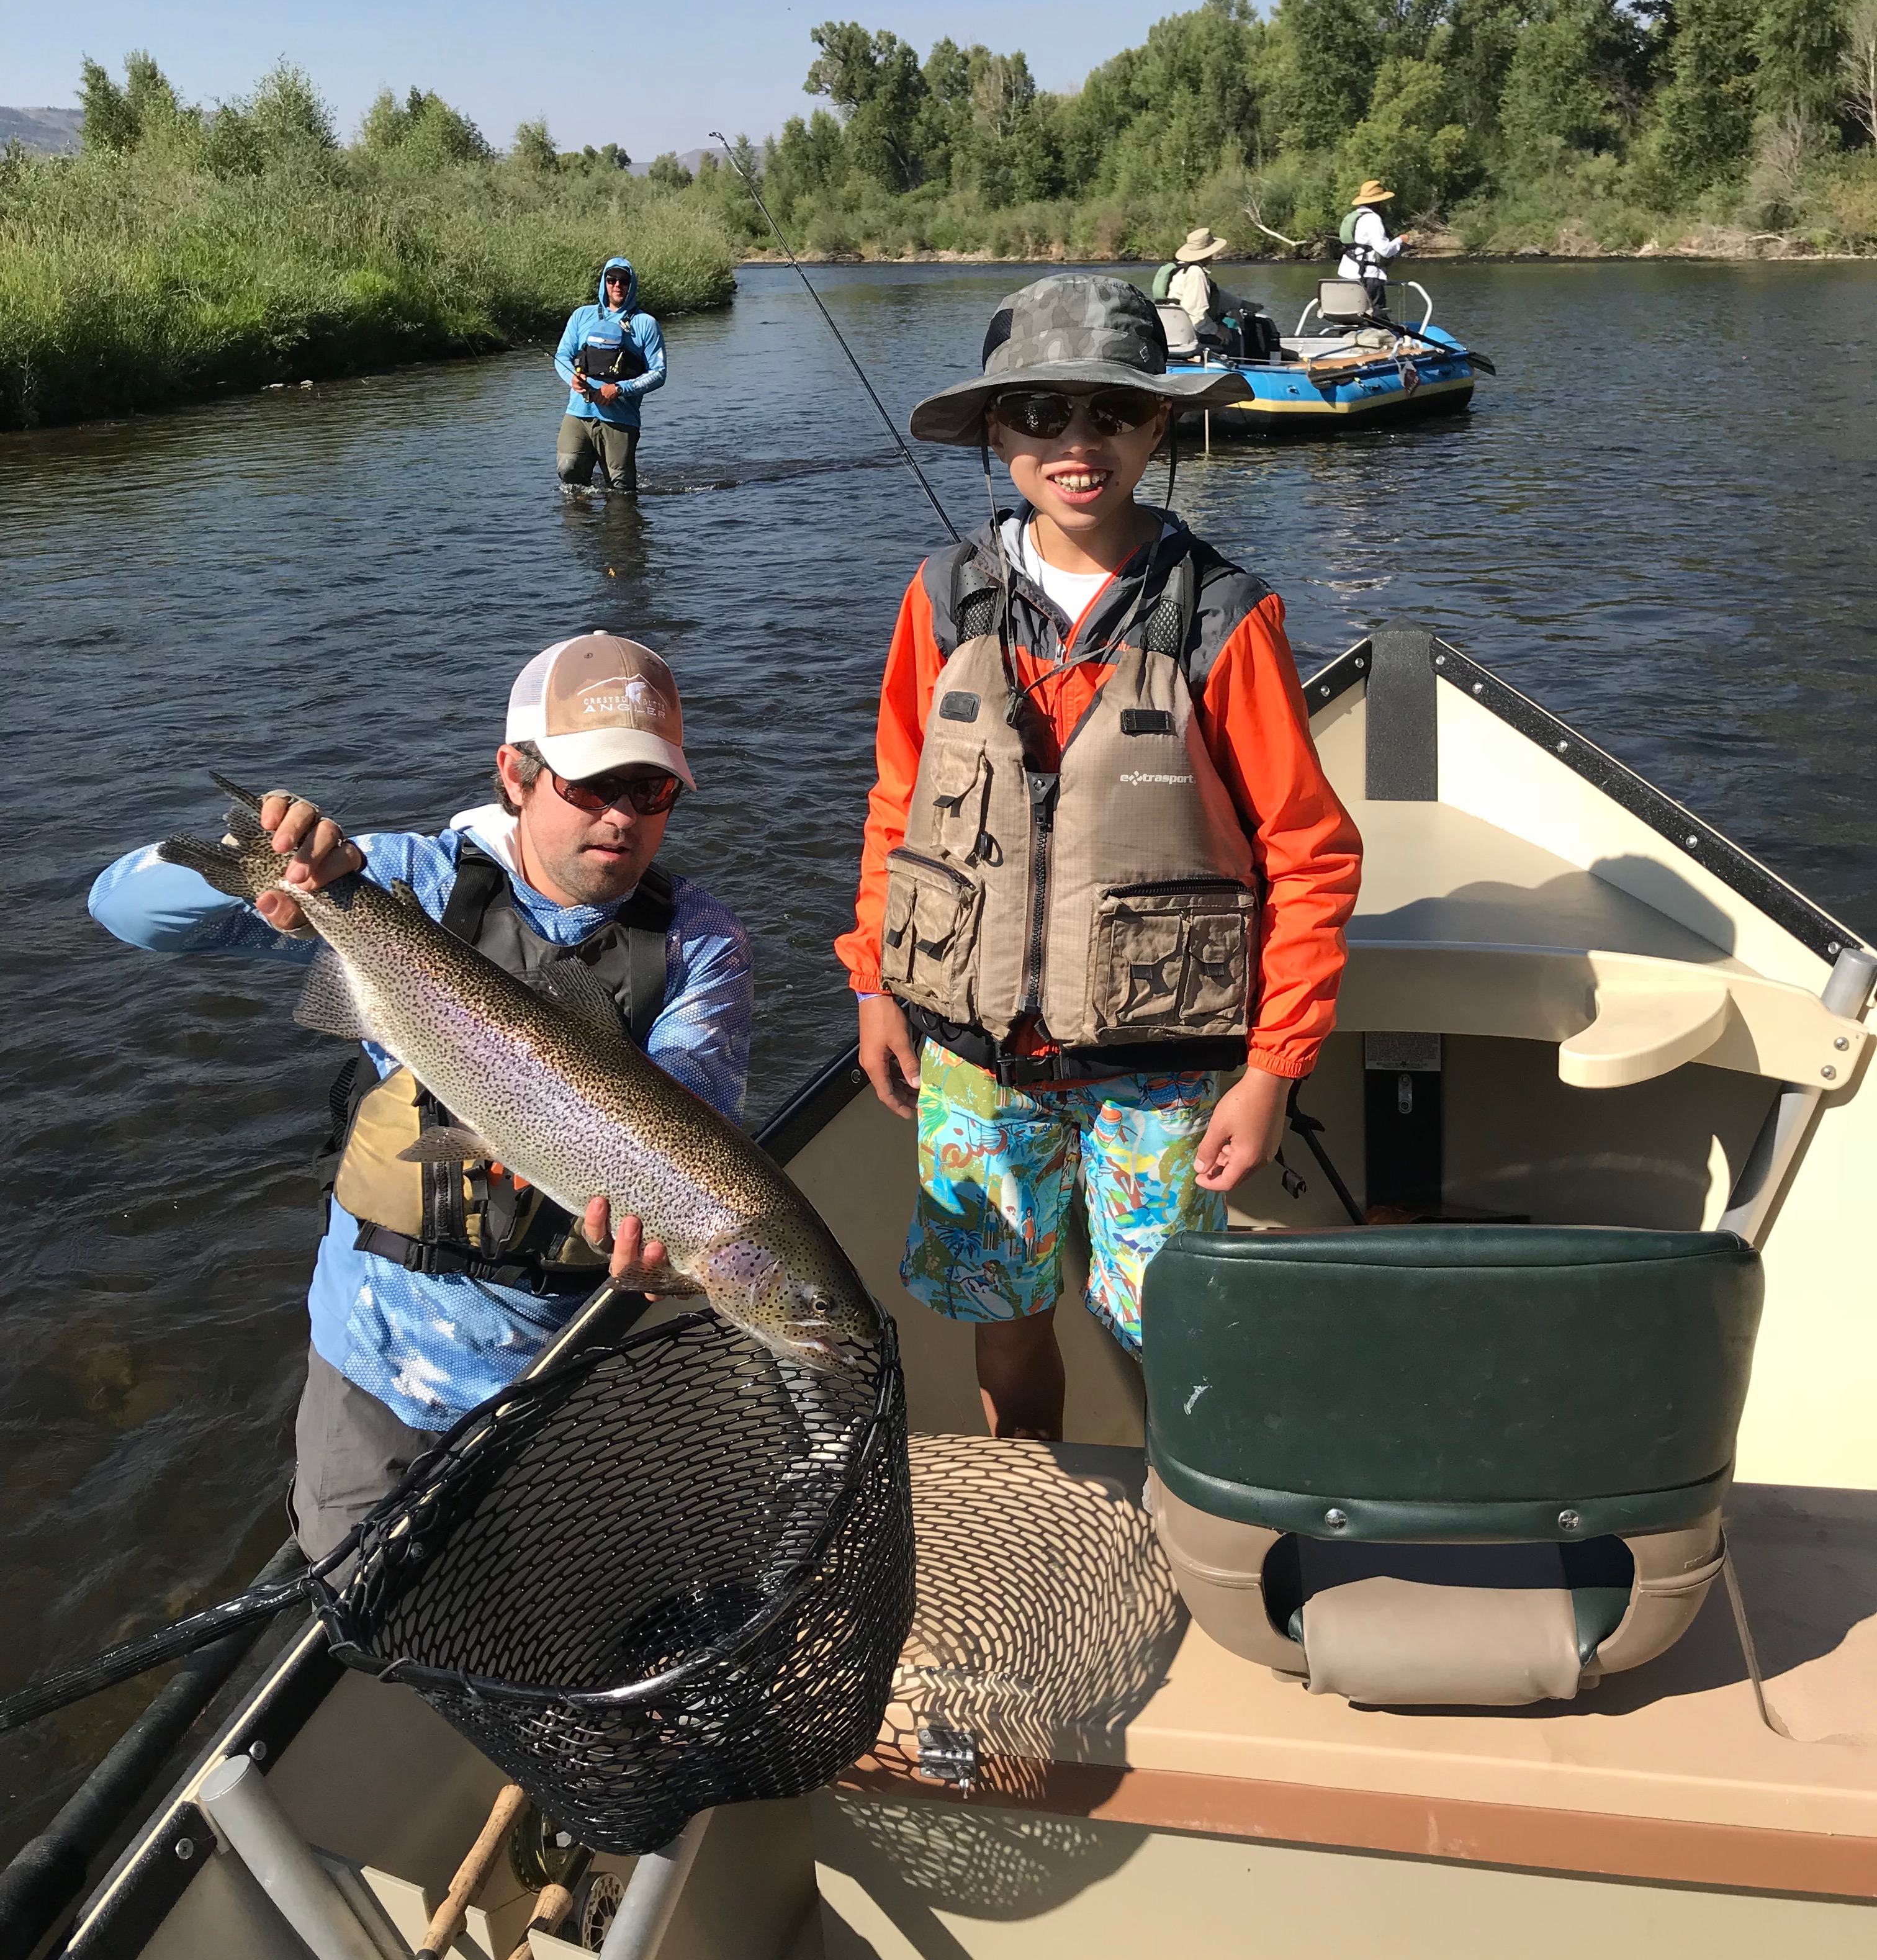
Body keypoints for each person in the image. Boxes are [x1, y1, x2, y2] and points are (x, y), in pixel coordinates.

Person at [837, 275, 1362, 1442]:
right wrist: (872, 978)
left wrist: (1271, 1069)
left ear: (1158, 426)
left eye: (1112, 414)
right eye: (1037, 413)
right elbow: (895, 803)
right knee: (1004, 1316)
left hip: (1164, 1075)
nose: (1076, 444)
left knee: (1168, 1325)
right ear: (994, 432)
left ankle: (1198, 1530)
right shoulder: (939, 600)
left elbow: (1309, 855)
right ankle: (1045, 1513)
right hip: (976, 1066)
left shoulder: (1226, 618)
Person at [90, 633, 751, 1555]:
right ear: (514, 775)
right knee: (375, 1601)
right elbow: (122, 909)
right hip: (382, 1358)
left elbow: (688, 1126)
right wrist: (279, 863)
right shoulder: (403, 880)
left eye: (652, 791)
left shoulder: (698, 944)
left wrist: (675, 1255)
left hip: (574, 1358)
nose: (621, 817)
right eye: (591, 786)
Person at [554, 257, 667, 494]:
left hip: (621, 419)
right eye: (612, 280)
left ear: (632, 285)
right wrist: (572, 379)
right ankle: (580, 526)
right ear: (604, 283)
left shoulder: (646, 324)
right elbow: (562, 356)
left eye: (624, 281)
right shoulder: (581, 316)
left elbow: (658, 374)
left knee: (621, 489)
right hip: (579, 413)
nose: (618, 285)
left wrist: (619, 389)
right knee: (569, 469)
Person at [1336, 180, 1408, 305]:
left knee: (1354, 316)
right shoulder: (1373, 219)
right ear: (1377, 202)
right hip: (1366, 277)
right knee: (1377, 317)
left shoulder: (1354, 216)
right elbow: (1385, 250)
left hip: (1345, 275)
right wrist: (1400, 241)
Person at [1164, 227, 1231, 336]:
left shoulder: (1181, 270)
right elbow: (1196, 314)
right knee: (1236, 335)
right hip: (1191, 334)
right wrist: (1217, 331)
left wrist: (1242, 304)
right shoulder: (1196, 273)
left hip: (1173, 331)